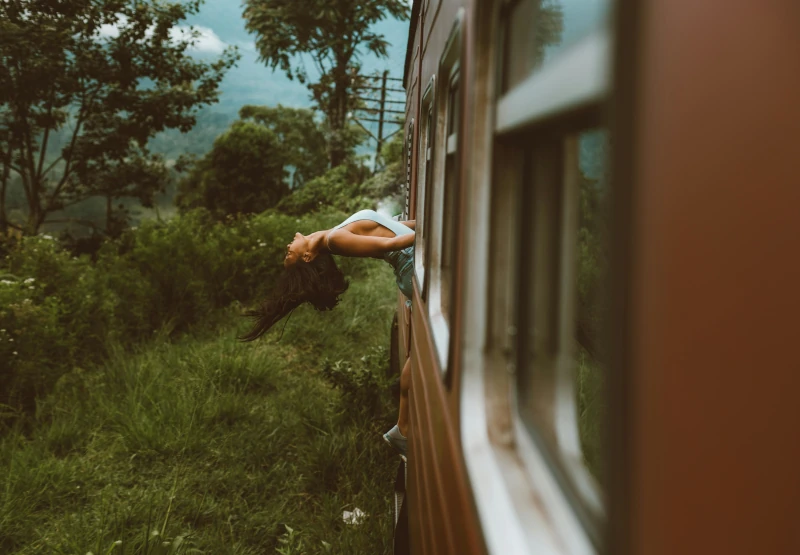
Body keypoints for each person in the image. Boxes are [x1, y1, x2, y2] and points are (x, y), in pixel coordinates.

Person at [238, 209, 414, 460]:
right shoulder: (335, 240)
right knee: (420, 357)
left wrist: (421, 222)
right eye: (290, 253)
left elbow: (390, 227)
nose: (288, 245)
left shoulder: (331, 236)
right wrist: (433, 226)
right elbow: (394, 242)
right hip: (413, 265)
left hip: (412, 264)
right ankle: (402, 429)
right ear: (308, 256)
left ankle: (402, 430)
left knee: (418, 357)